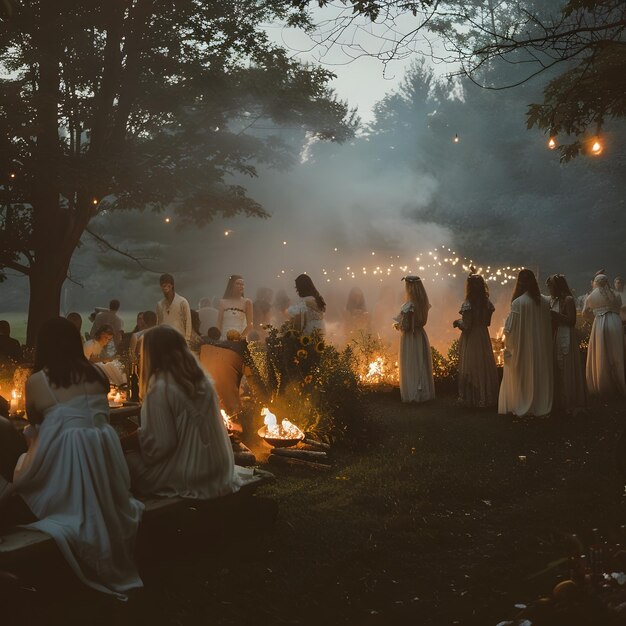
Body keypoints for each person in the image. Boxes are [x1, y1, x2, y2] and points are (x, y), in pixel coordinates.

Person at [0, 317, 143, 597]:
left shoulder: (39, 380)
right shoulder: (99, 375)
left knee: (12, 448)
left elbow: (34, 419)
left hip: (64, 459)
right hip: (103, 462)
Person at [123, 326, 243, 499]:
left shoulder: (160, 386)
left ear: (151, 355)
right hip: (220, 468)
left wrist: (121, 444)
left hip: (195, 475)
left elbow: (162, 444)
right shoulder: (201, 380)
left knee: (126, 462)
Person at [498, 269, 553, 417]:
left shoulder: (518, 303)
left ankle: (525, 401)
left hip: (523, 345)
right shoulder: (545, 301)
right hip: (541, 346)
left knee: (524, 374)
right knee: (539, 372)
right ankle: (540, 402)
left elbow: (511, 330)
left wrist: (509, 347)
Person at [453, 274, 499, 408]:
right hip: (483, 335)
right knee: (483, 365)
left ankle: (474, 398)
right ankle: (486, 396)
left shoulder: (468, 304)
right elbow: (488, 323)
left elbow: (467, 325)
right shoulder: (487, 303)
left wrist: (457, 322)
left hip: (472, 337)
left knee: (472, 366)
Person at [545, 274, 587, 413]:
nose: (549, 289)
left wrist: (555, 315)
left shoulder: (568, 300)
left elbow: (571, 320)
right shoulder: (553, 300)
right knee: (558, 366)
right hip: (557, 335)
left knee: (566, 366)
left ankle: (570, 400)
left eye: (551, 286)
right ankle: (560, 401)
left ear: (557, 286)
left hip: (566, 335)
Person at [582, 274, 626, 397]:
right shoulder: (615, 294)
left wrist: (593, 319)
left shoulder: (591, 296)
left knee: (601, 353)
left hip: (600, 323)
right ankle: (619, 383)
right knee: (616, 352)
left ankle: (602, 385)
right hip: (615, 322)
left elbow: (585, 312)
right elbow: (619, 307)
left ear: (596, 282)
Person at [393, 276, 435, 403]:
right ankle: (423, 392)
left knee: (411, 363)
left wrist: (397, 325)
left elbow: (405, 325)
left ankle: (413, 393)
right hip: (420, 334)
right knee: (420, 362)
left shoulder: (409, 306)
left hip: (410, 337)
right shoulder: (423, 303)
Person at [156, 273, 192, 342]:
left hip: (179, 340)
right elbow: (158, 324)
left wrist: (187, 339)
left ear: (172, 285)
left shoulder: (182, 302)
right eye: (164, 285)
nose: (166, 288)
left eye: (168, 285)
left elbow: (188, 322)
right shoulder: (160, 304)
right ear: (161, 287)